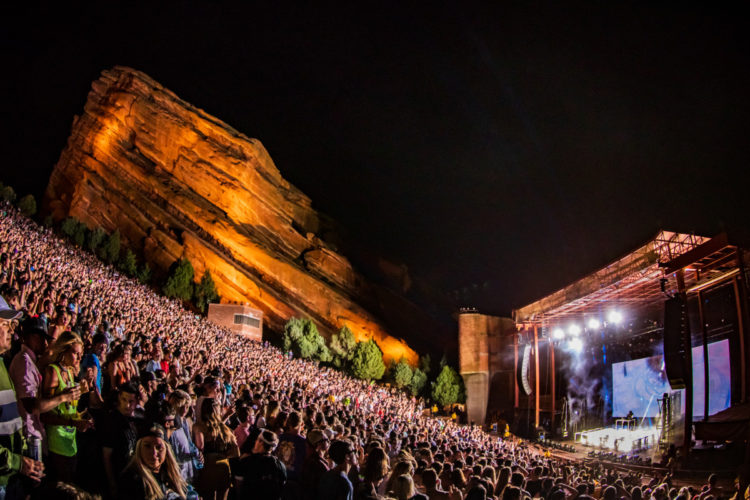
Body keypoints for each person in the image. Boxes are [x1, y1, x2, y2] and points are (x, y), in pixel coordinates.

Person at [0, 296, 45, 497]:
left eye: (12, 324)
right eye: (5, 323)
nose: (11, 330)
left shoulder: (2, 363)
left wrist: (25, 455)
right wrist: (19, 463)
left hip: (11, 475)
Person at [40, 330, 94, 483]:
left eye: (80, 353)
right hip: (56, 441)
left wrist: (82, 417)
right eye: (75, 353)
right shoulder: (53, 372)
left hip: (70, 438)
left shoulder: (70, 372)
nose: (79, 357)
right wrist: (73, 422)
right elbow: (45, 414)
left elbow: (68, 408)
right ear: (64, 351)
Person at [118, 425, 188, 500]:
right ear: (139, 448)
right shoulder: (133, 481)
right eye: (147, 446)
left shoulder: (170, 475)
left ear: (167, 451)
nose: (153, 453)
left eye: (159, 447)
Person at [192, 397, 238, 500]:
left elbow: (200, 447)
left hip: (208, 466)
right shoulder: (225, 428)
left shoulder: (198, 426)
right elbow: (235, 452)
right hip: (224, 467)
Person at [101, 382, 140, 496]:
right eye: (124, 400)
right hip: (119, 477)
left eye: (131, 401)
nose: (127, 405)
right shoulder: (112, 421)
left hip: (133, 476)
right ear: (119, 397)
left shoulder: (135, 419)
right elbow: (106, 455)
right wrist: (112, 482)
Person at [233, 429, 286, 500]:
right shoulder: (280, 465)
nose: (255, 441)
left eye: (257, 439)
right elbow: (281, 487)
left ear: (261, 442)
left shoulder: (246, 461)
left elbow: (238, 487)